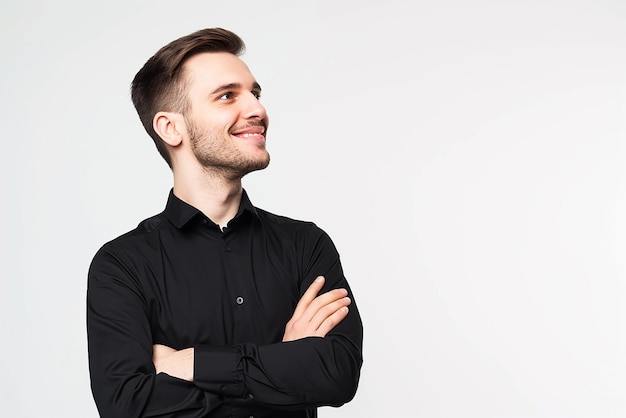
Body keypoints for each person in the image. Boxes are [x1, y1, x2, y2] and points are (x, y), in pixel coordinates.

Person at [87, 27, 363, 418]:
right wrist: (283, 363)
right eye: (227, 96)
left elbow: (337, 374)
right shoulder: (122, 265)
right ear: (171, 128)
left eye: (255, 93)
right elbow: (127, 406)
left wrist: (191, 364)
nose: (257, 109)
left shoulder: (306, 245)